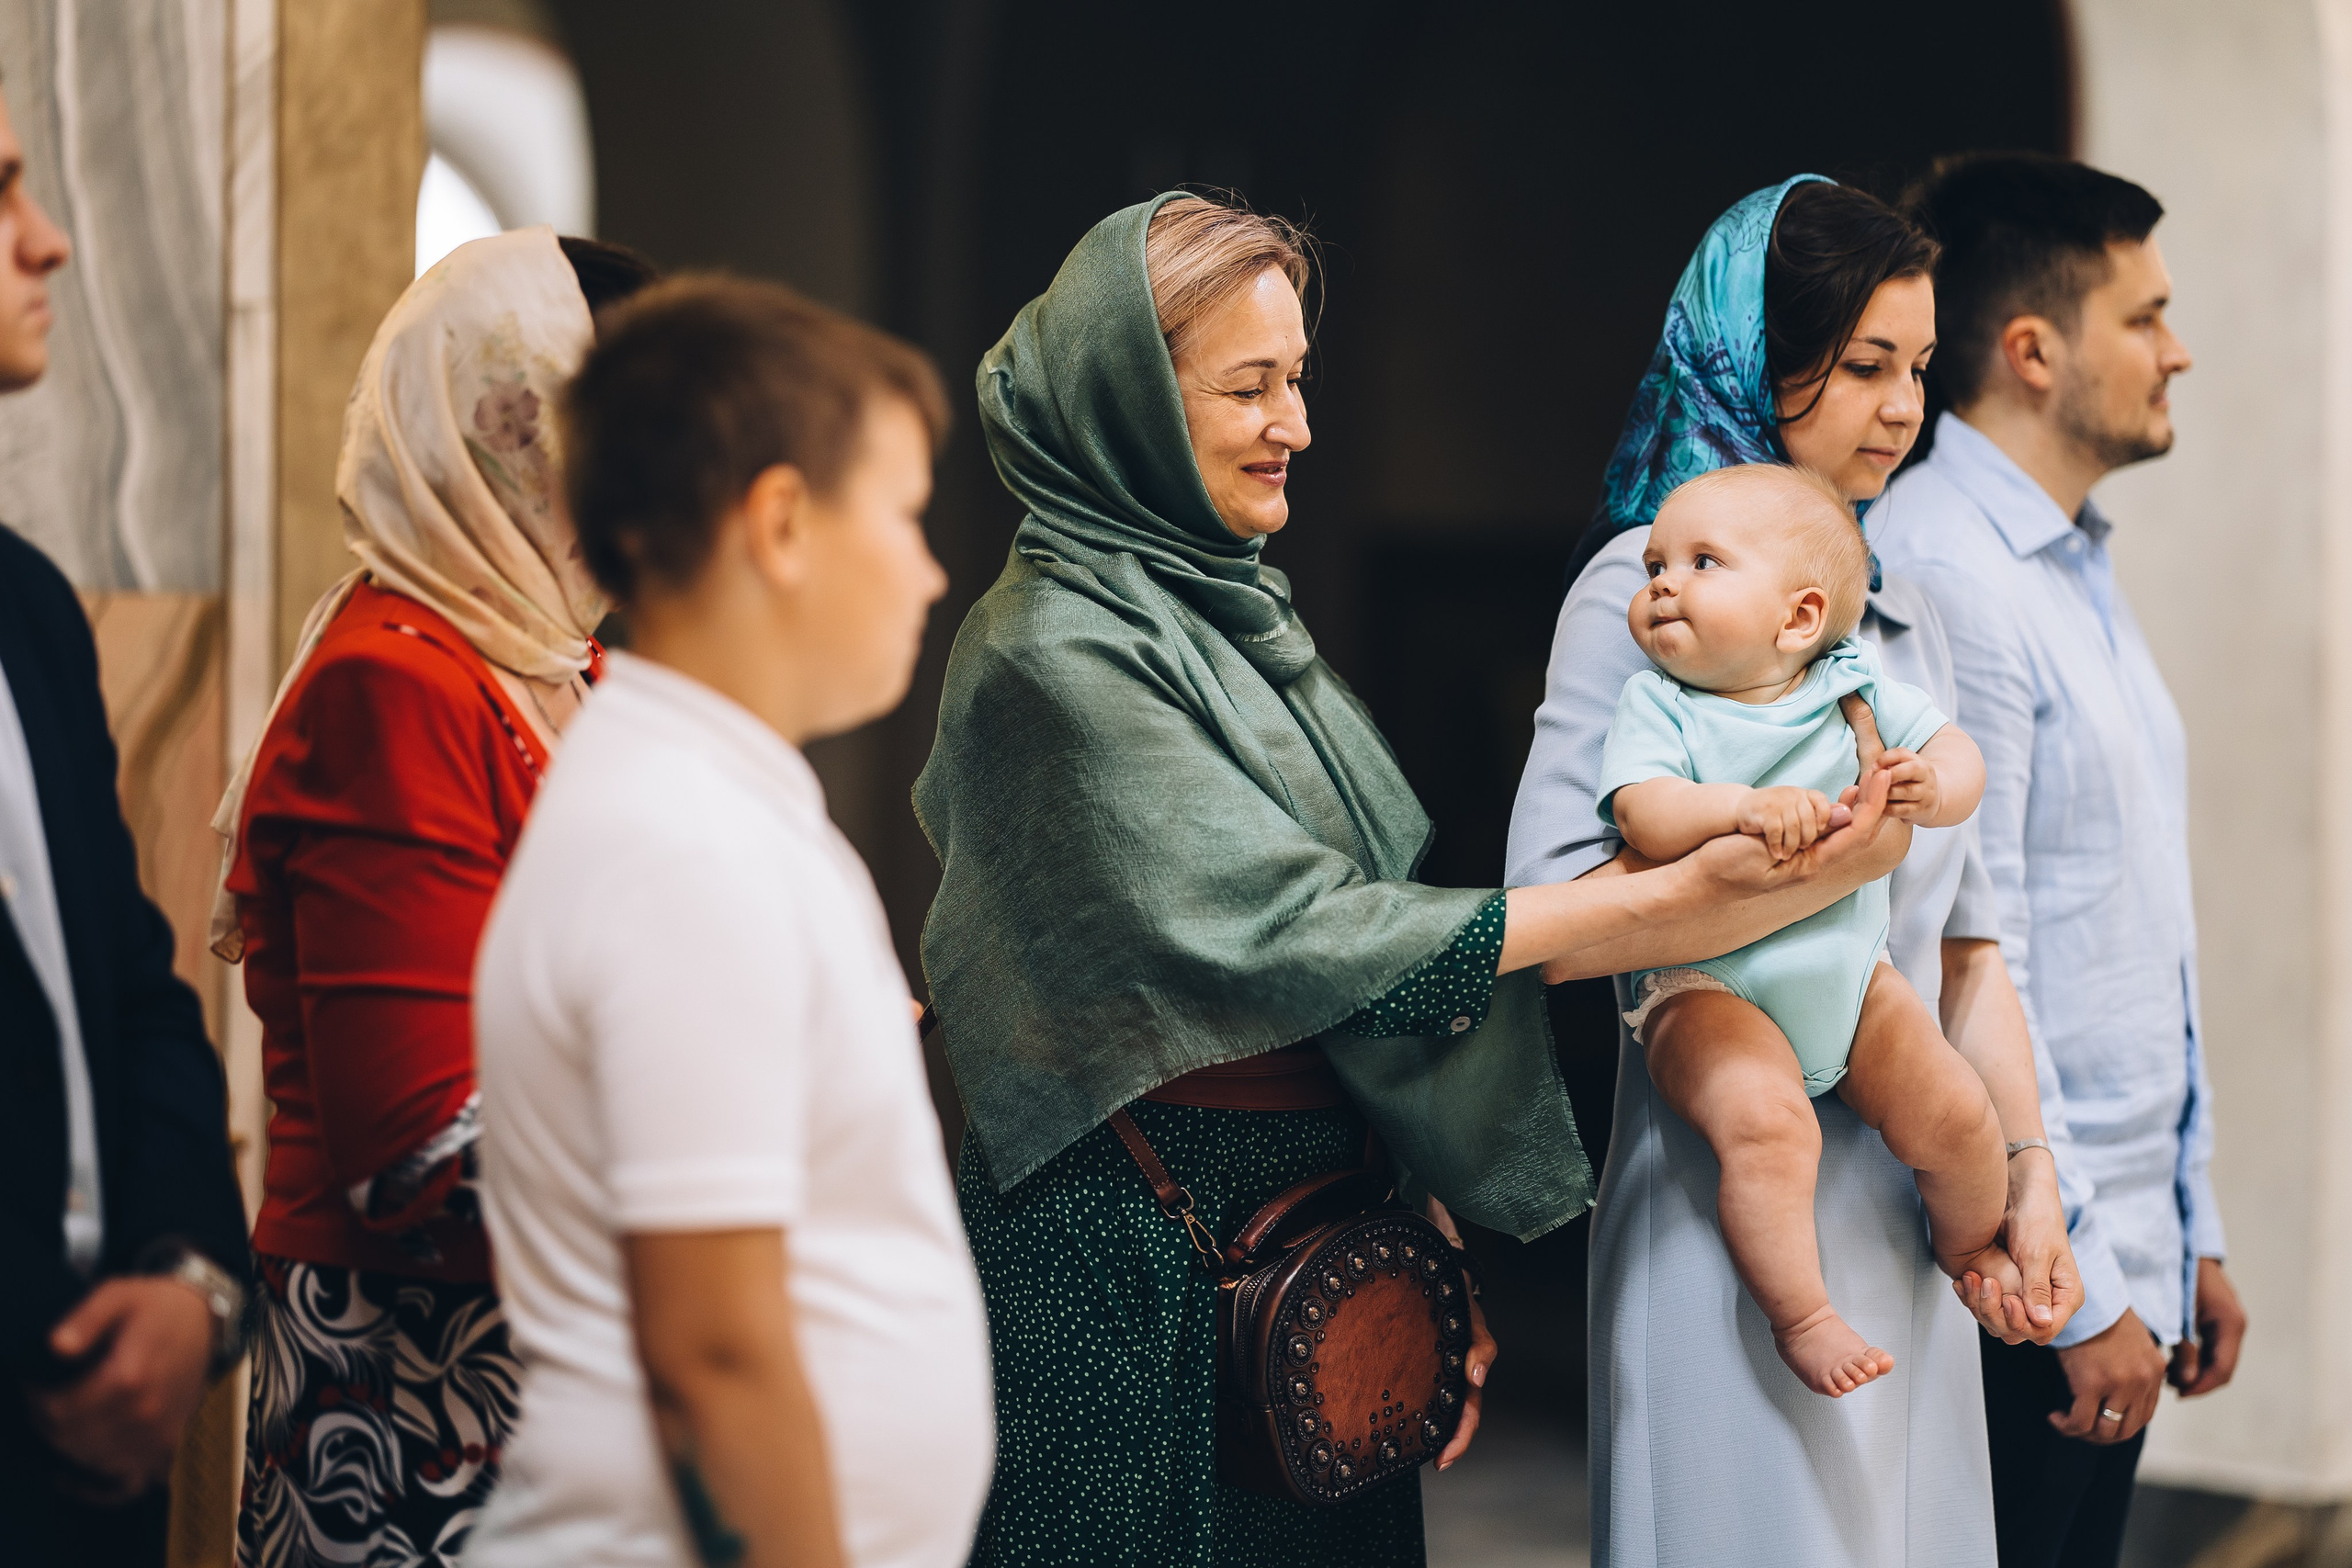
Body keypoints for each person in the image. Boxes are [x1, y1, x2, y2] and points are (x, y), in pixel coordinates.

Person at [918, 190, 1916, 1567]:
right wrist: (1661, 904)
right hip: (1136, 1260)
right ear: (1128, 400)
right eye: (1250, 385)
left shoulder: (1238, 611)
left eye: (1301, 379)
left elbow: (1339, 940)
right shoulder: (1045, 649)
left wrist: (1417, 1216)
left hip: (1311, 1221)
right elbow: (1291, 929)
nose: (1299, 423)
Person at [1509, 175, 2083, 1567]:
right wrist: (1834, 859)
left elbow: (1968, 949)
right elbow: (1550, 925)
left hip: (1910, 1207)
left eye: (1922, 368)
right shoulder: (1645, 595)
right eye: (1867, 363)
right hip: (1731, 1211)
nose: (1904, 406)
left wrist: (2026, 1174)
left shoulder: (1908, 620)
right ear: (1755, 361)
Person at [466, 276, 991, 1568]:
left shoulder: (712, 799)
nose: (930, 571)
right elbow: (714, 1347)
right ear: (782, 523)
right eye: (908, 513)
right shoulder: (679, 841)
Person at [214, 227, 657, 1568]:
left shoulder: (566, 663)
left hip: (551, 1367)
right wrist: (740, 1100)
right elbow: (417, 1153)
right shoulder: (394, 684)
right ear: (517, 427)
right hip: (409, 1390)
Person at [1875, 152, 2245, 1568]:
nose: (2180, 348)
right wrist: (2082, 1279)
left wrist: (2189, 1221)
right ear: (2033, 350)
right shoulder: (1947, 571)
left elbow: (2140, 929)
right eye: (2145, 317)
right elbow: (1981, 949)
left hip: (2122, 1243)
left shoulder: (2071, 556)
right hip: (2034, 1270)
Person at [1601, 462, 2002, 1396]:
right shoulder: (1657, 703)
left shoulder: (1851, 685)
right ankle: (1802, 1314)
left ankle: (1972, 1247)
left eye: (1702, 562)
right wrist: (1738, 808)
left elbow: (1958, 751)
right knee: (1771, 1131)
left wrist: (1932, 785)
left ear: (1797, 619)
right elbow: (1643, 815)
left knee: (1955, 1110)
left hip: (1850, 977)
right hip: (1706, 986)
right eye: (1653, 564)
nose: (1660, 581)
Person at [0, 86, 251, 1568]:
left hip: (93, 1475)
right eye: (6, 193)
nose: (56, 245)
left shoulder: (32, 606)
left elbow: (134, 1002)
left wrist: (191, 1283)